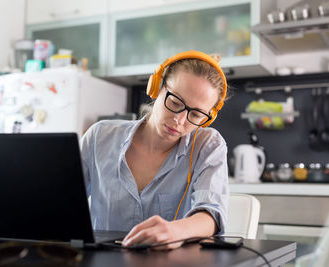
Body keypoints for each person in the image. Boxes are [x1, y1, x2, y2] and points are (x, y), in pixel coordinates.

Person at [80, 51, 229, 250]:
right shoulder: (100, 136)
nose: (180, 120)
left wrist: (176, 231)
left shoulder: (208, 145)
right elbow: (64, 202)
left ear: (207, 118)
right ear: (156, 87)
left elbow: (211, 214)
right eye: (175, 102)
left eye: (196, 114)